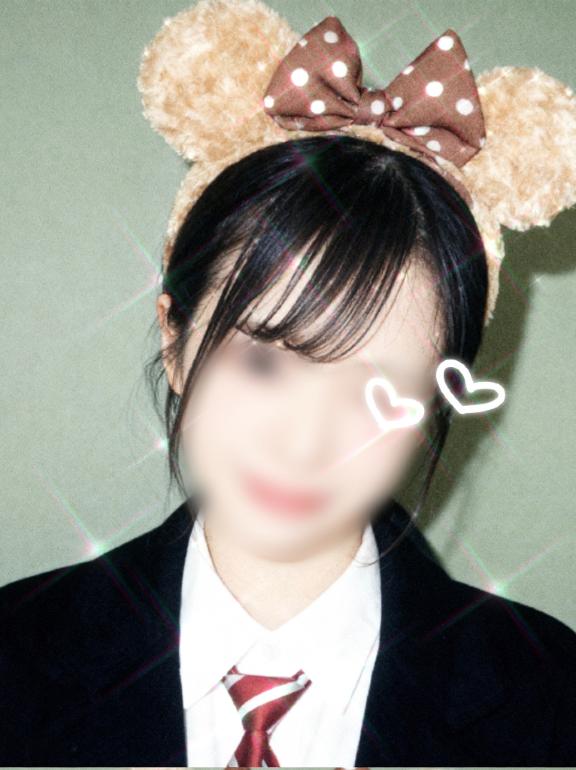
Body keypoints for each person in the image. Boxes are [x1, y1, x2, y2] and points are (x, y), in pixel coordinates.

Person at [2, 1, 576, 766]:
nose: (306, 441)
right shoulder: (14, 653)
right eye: (265, 362)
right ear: (174, 338)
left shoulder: (551, 698)